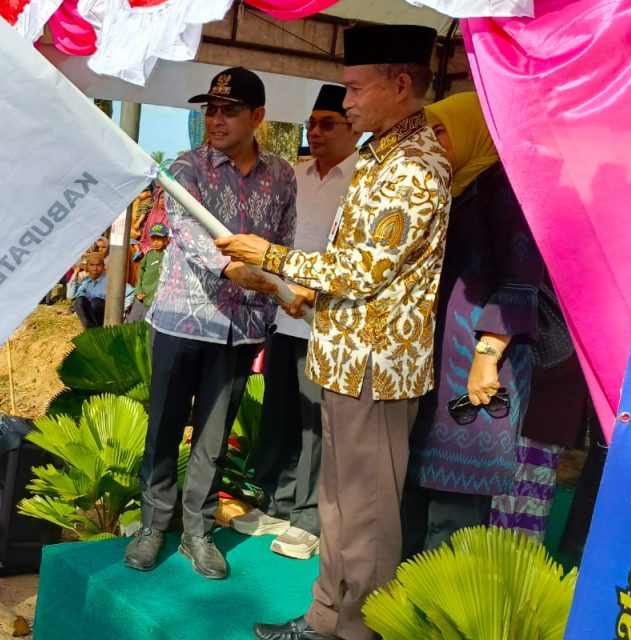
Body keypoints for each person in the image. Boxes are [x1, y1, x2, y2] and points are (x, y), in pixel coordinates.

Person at [219, 26, 452, 640]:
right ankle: (325, 620)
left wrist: (271, 257)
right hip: (348, 357)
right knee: (339, 508)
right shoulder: (385, 157)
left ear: (401, 84)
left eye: (353, 88)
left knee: (368, 518)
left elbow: (363, 269)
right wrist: (292, 294)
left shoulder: (415, 167)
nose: (344, 102)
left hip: (376, 367)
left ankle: (356, 631)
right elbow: (361, 268)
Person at [123, 67, 296, 582]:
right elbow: (187, 232)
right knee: (164, 428)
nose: (216, 120)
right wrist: (236, 269)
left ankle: (196, 532)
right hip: (182, 318)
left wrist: (275, 292)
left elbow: (284, 241)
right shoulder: (186, 168)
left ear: (257, 116)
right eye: (210, 110)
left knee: (213, 438)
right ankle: (154, 524)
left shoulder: (281, 176)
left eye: (229, 110)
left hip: (239, 328)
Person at [399, 92, 546, 556]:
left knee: (455, 511)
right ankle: (398, 617)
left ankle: (434, 623)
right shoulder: (455, 185)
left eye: (441, 130)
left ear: (473, 129)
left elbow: (522, 276)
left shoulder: (506, 184)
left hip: (479, 366)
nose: (434, 141)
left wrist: (486, 358)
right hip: (439, 365)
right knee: (417, 500)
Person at [232, 85, 360, 562]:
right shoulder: (295, 175)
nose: (316, 132)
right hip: (280, 316)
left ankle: (308, 519)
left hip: (326, 322)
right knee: (279, 414)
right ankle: (276, 504)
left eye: (328, 123)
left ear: (353, 128)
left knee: (314, 425)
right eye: (312, 123)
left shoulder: (363, 180)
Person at [67, 251, 132, 329]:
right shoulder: (86, 281)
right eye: (92, 265)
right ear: (87, 266)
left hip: (106, 316)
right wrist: (75, 273)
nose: (95, 268)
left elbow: (131, 292)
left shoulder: (110, 280)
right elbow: (70, 296)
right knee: (78, 301)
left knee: (96, 302)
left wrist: (120, 311)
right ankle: (91, 332)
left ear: (103, 267)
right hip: (91, 319)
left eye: (98, 265)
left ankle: (95, 332)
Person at [124, 222, 168, 323]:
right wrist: (138, 290)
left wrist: (161, 292)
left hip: (155, 296)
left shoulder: (168, 255)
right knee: (132, 322)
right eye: (153, 238)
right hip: (142, 295)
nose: (156, 242)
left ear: (166, 239)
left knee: (148, 325)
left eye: (159, 238)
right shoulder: (149, 254)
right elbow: (141, 273)